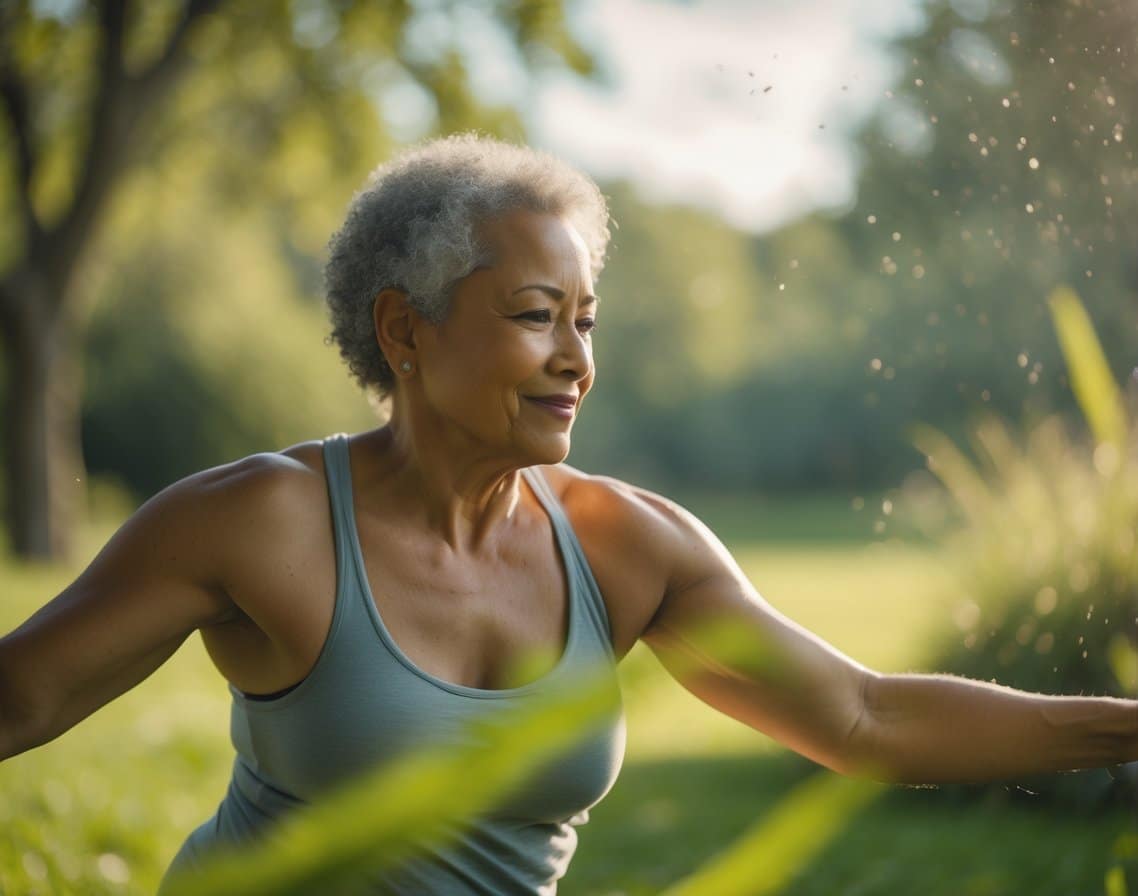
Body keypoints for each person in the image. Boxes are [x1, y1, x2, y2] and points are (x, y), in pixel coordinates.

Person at [0, 134, 1135, 895]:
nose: (576, 359)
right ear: (404, 330)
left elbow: (862, 716)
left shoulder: (625, 544)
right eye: (539, 315)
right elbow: (22, 695)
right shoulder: (263, 521)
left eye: (586, 319)